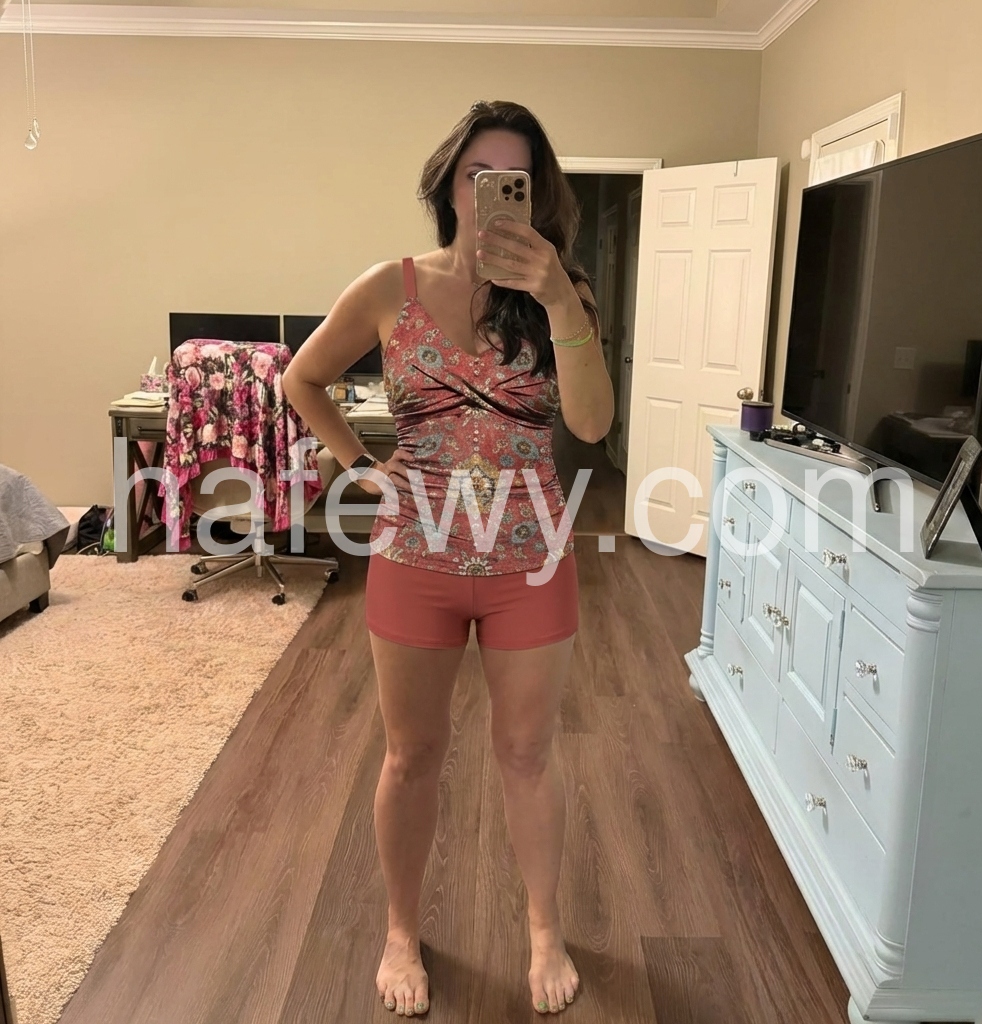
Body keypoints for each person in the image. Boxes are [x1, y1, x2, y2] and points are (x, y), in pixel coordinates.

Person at [283, 99, 615, 1018]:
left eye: (513, 178)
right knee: (410, 756)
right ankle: (401, 929)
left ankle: (543, 928)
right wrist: (361, 467)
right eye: (478, 175)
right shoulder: (389, 288)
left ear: (536, 195)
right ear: (450, 187)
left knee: (528, 753)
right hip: (415, 556)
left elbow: (591, 425)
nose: (492, 193)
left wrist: (558, 301)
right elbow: (301, 378)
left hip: (530, 558)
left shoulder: (564, 296)